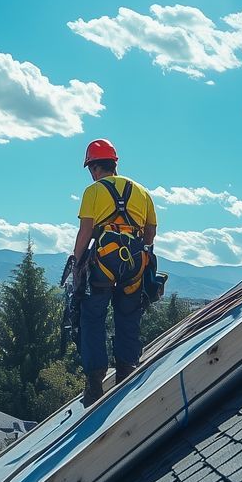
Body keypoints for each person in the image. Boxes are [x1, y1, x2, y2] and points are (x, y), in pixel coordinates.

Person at [69, 139, 158, 406]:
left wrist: (76, 263)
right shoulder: (142, 192)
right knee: (128, 315)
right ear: (114, 164)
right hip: (135, 260)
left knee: (92, 315)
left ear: (94, 168)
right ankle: (125, 372)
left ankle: (95, 382)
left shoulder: (94, 191)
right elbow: (151, 232)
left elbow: (86, 230)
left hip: (105, 259)